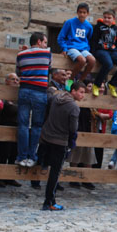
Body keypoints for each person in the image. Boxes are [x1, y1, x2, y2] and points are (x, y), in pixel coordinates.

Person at [38, 81, 85, 211]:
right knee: (55, 172)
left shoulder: (56, 98)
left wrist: (51, 90)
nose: (82, 95)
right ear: (73, 91)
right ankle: (49, 202)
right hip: (60, 141)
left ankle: (50, 200)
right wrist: (71, 142)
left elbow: (49, 96)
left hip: (46, 137)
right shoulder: (74, 107)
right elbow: (73, 128)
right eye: (81, 92)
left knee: (49, 168)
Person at [16, 32, 52, 168]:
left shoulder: (20, 54)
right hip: (39, 92)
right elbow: (49, 68)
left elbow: (18, 72)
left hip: (24, 90)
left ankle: (21, 156)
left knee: (23, 125)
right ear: (38, 42)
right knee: (37, 125)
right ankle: (32, 156)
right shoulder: (47, 53)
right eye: (44, 42)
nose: (46, 45)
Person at [91, 9, 117, 98]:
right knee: (108, 64)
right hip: (101, 50)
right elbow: (94, 40)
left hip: (113, 51)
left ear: (113, 19)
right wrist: (93, 52)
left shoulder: (116, 29)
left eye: (109, 18)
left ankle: (112, 84)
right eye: (105, 17)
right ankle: (96, 85)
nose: (106, 19)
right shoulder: (98, 26)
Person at [0, 73, 21, 187]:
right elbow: (6, 108)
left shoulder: (19, 94)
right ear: (6, 81)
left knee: (14, 152)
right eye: (13, 79)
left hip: (17, 125)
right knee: (3, 151)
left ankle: (9, 177)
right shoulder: (3, 92)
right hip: (6, 123)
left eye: (17, 80)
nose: (15, 81)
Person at [69, 79, 97, 190]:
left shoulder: (92, 100)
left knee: (89, 157)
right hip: (78, 129)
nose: (90, 89)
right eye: (88, 86)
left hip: (88, 131)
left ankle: (86, 179)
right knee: (75, 156)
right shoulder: (77, 100)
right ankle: (74, 178)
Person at [57, 3, 94, 81]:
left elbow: (89, 40)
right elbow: (61, 37)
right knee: (82, 60)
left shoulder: (89, 26)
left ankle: (80, 80)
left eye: (84, 12)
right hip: (72, 47)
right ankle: (71, 79)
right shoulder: (69, 22)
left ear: (87, 14)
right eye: (80, 12)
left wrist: (87, 49)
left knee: (92, 60)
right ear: (77, 12)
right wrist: (64, 48)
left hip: (83, 49)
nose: (82, 14)